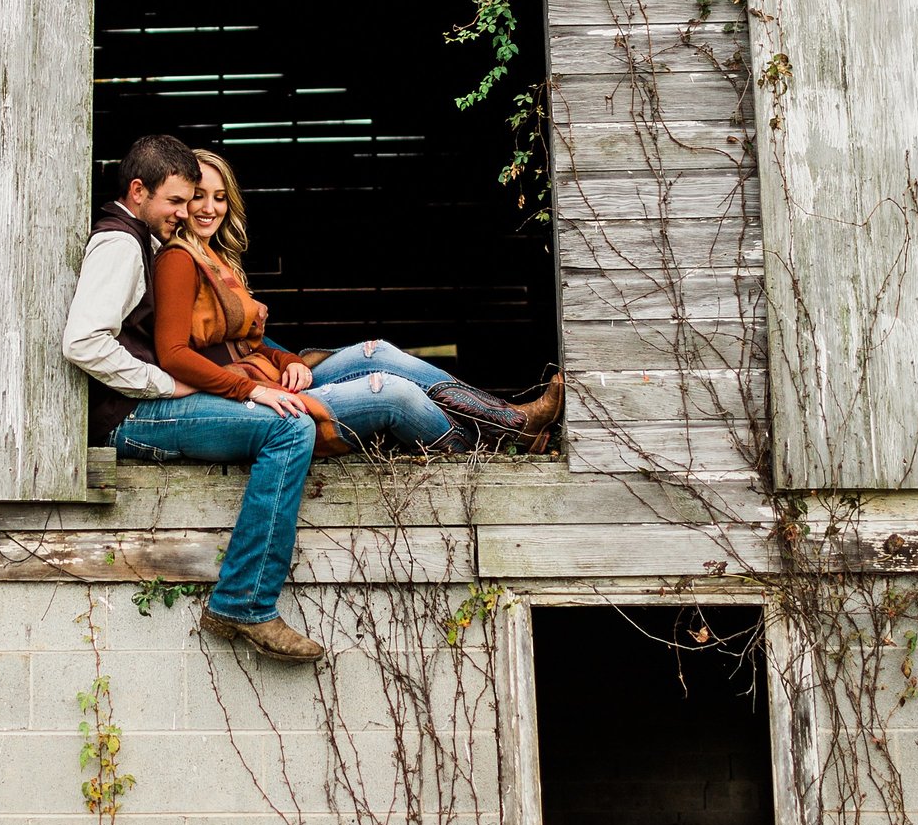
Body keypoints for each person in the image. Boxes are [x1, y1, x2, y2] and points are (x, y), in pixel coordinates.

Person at [62, 135, 325, 668]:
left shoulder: (149, 239)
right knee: (289, 428)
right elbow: (83, 341)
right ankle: (244, 603)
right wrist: (166, 383)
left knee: (295, 417)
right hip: (131, 417)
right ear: (139, 192)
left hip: (148, 406)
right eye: (177, 202)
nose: (186, 214)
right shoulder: (119, 244)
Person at [155, 147, 564, 463]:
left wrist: (288, 363)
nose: (210, 208)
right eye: (199, 197)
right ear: (182, 200)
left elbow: (246, 342)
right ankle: (496, 444)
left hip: (267, 376)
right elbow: (173, 355)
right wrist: (253, 387)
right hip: (242, 397)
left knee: (378, 352)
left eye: (220, 197)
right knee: (394, 394)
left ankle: (511, 420)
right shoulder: (178, 260)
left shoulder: (217, 259)